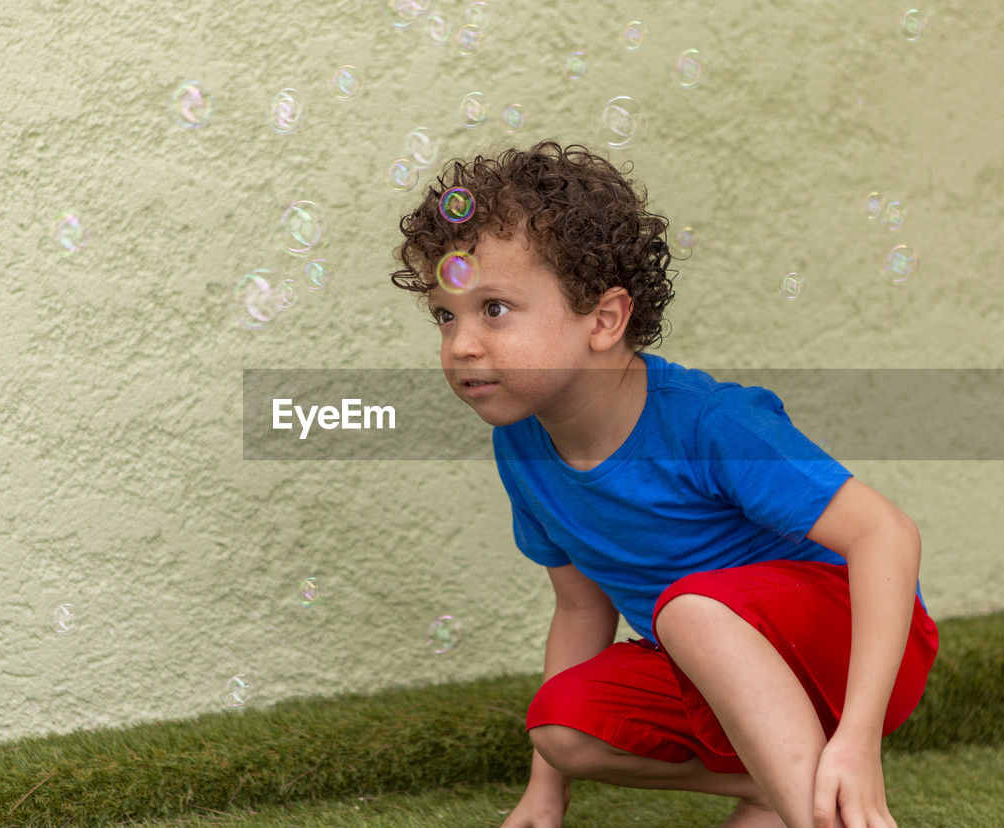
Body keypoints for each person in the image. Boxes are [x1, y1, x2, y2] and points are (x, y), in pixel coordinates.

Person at [389, 140, 938, 828]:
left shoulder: (710, 423)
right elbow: (582, 608)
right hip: (712, 673)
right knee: (560, 727)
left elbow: (885, 533)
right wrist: (544, 793)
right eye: (446, 315)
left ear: (606, 319)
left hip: (852, 646)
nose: (461, 344)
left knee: (688, 610)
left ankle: (826, 812)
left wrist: (859, 739)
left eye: (493, 309)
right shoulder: (521, 446)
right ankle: (778, 783)